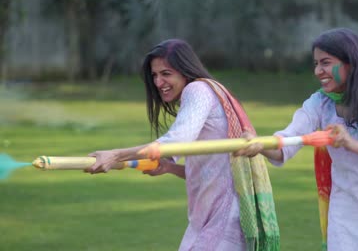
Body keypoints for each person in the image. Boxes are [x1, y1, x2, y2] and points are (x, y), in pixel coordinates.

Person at [235, 28, 358, 250]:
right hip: (345, 217)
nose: (318, 71)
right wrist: (260, 144)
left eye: (325, 63)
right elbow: (287, 142)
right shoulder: (320, 102)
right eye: (316, 64)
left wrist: (352, 144)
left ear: (351, 62)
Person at [85, 39, 280, 251]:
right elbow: (211, 169)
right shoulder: (210, 93)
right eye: (154, 75)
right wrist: (169, 167)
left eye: (166, 74)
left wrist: (115, 155)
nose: (159, 82)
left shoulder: (197, 90)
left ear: (185, 72)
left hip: (225, 217)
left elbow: (176, 142)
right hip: (213, 218)